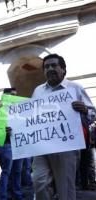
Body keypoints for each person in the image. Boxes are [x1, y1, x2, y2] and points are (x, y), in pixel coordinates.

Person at [31, 53, 94, 200]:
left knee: (65, 188)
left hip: (67, 146)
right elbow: (30, 117)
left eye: (54, 65)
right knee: (38, 182)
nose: (50, 69)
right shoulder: (38, 91)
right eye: (46, 67)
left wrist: (84, 110)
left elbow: (92, 114)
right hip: (43, 146)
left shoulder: (75, 88)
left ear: (63, 69)